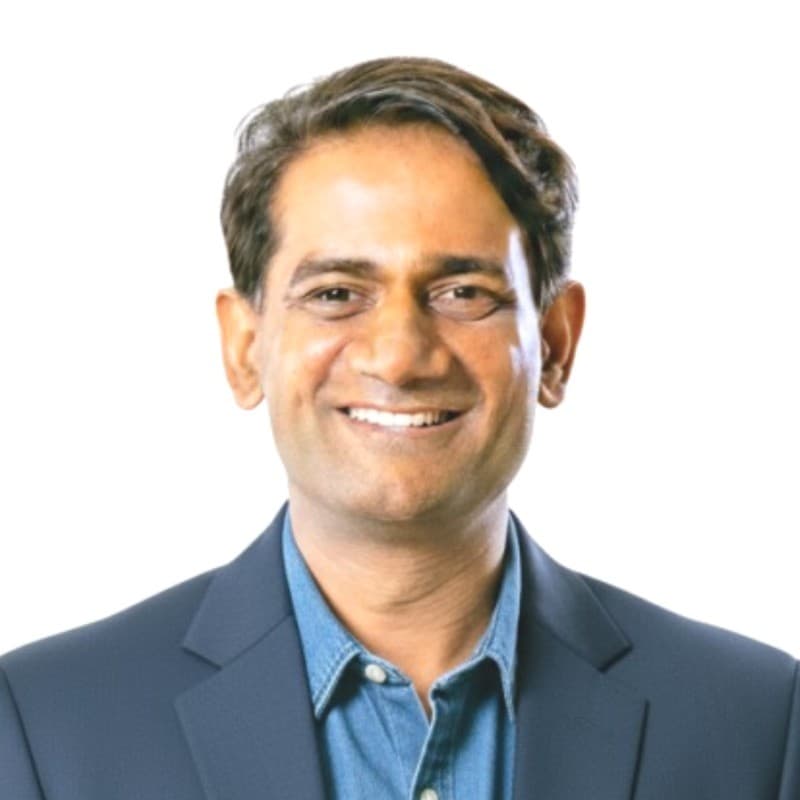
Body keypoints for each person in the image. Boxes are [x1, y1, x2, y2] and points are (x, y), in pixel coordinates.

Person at [1, 56, 797, 800]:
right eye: (336, 294)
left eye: (463, 293)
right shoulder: (46, 724)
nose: (400, 356)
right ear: (244, 349)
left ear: (555, 345)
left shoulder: (756, 723)